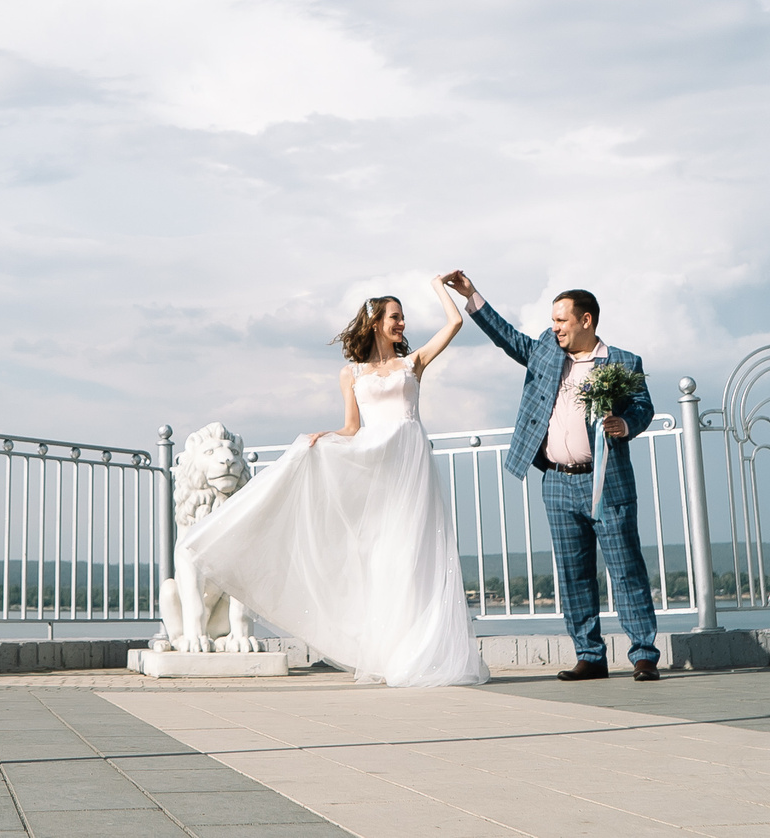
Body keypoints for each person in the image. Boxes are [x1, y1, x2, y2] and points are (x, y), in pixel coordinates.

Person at [178, 281, 490, 687]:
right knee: (382, 557)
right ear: (376, 322)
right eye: (395, 316)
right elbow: (352, 427)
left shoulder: (413, 363)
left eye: (402, 317)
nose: (402, 323)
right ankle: (387, 654)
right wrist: (322, 438)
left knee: (416, 556)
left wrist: (439, 285)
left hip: (411, 467)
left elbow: (454, 322)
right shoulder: (352, 374)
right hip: (377, 465)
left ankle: (420, 653)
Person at [438, 270, 660, 681]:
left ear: (586, 321)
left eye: (561, 320)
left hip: (607, 480)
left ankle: (643, 653)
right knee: (572, 572)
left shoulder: (624, 361)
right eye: (553, 320)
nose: (554, 327)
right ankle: (590, 656)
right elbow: (508, 338)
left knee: (626, 568)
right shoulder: (544, 350)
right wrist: (472, 296)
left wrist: (626, 424)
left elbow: (643, 407)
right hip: (556, 480)